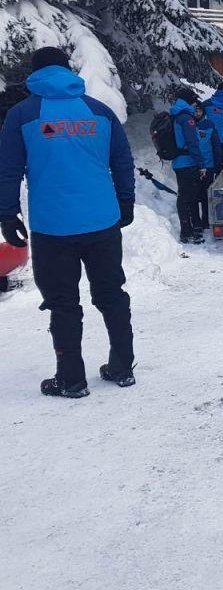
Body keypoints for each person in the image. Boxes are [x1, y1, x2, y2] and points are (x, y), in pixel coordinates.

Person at [0, 47, 136, 397]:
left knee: (63, 303)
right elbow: (122, 160)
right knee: (111, 294)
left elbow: (9, 169)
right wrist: (125, 201)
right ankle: (122, 367)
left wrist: (6, 212)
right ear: (68, 70)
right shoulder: (99, 112)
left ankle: (72, 380)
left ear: (35, 73)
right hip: (103, 222)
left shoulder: (22, 115)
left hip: (53, 228)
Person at [169, 90, 208, 244]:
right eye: (193, 101)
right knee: (186, 197)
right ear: (189, 101)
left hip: (181, 162)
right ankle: (187, 232)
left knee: (189, 195)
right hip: (187, 162)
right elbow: (193, 143)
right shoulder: (187, 119)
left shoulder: (178, 115)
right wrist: (201, 164)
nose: (195, 104)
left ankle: (194, 227)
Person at [193, 102, 223, 231]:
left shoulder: (209, 125)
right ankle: (196, 221)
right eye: (195, 111)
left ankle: (206, 219)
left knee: (206, 195)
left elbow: (216, 145)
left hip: (208, 165)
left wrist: (218, 163)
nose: (197, 114)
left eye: (199, 111)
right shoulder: (188, 124)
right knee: (194, 194)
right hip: (193, 165)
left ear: (203, 112)